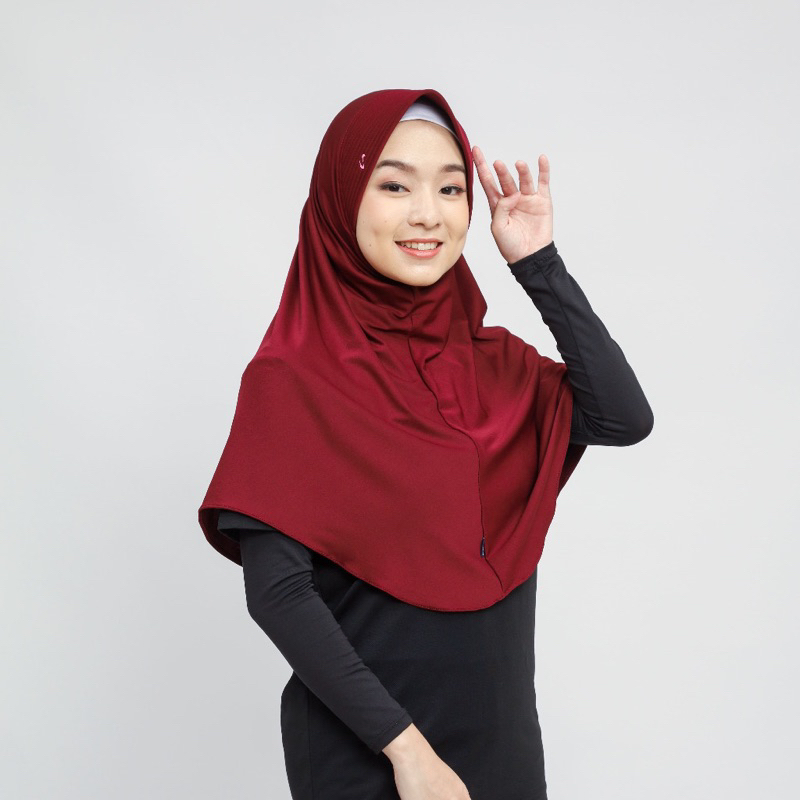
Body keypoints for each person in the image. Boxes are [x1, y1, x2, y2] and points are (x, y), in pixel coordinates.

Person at [198, 88, 653, 800]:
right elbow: (278, 594)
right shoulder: (291, 379)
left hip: (502, 748)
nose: (427, 214)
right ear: (340, 200)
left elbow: (624, 417)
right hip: (374, 756)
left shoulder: (495, 366)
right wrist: (407, 752)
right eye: (394, 186)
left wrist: (539, 265)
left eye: (449, 188)